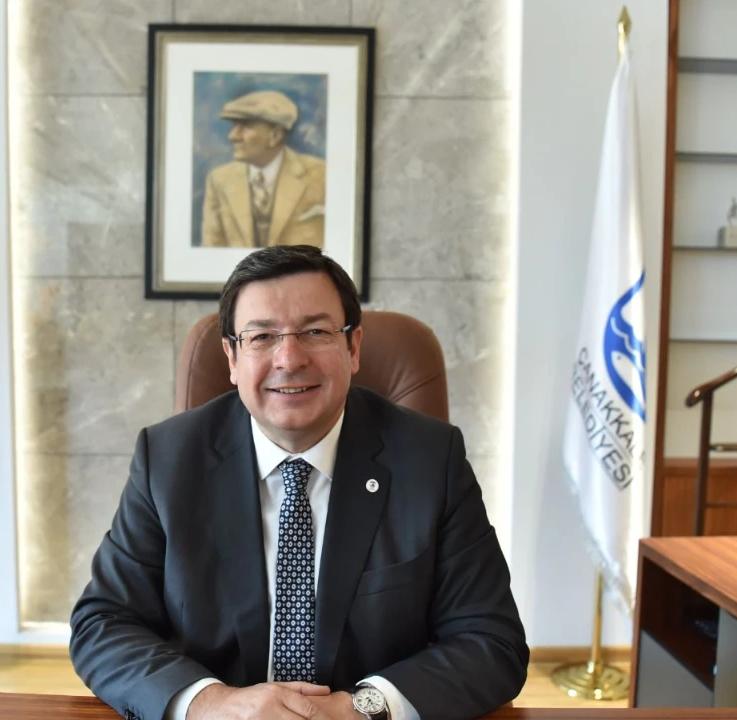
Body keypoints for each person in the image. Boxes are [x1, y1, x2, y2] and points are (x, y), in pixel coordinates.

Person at [70, 245, 529, 720]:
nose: (289, 359)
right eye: (262, 336)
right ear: (232, 357)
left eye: (315, 332)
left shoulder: (431, 460)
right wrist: (212, 704)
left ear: (353, 348)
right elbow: (103, 623)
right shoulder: (168, 459)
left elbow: (491, 641)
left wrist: (360, 709)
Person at [200, 91, 327, 249]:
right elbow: (211, 250)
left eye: (246, 126)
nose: (233, 136)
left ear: (275, 135)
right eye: (234, 126)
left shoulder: (321, 175)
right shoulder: (219, 180)